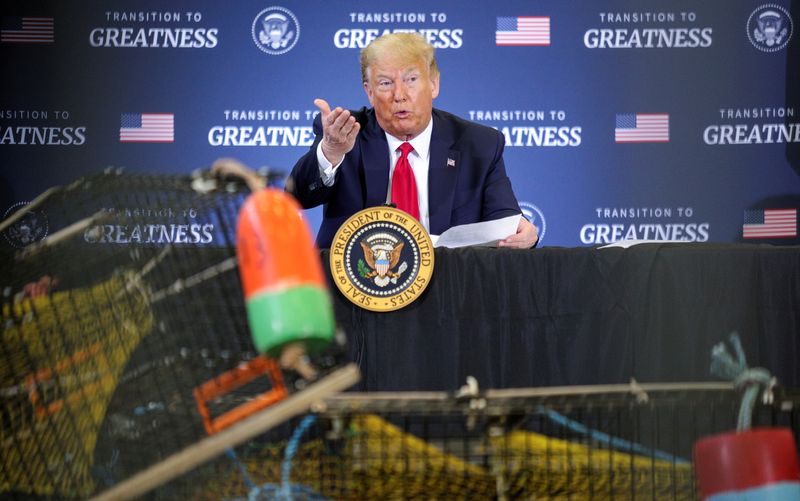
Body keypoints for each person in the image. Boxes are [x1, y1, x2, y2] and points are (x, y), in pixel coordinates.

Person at [289, 32, 538, 249]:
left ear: (433, 84)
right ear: (369, 92)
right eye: (385, 83)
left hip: (448, 288)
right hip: (353, 288)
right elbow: (297, 197)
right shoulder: (346, 133)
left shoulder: (479, 143)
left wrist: (521, 232)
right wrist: (331, 151)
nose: (400, 95)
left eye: (411, 80)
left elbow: (504, 220)